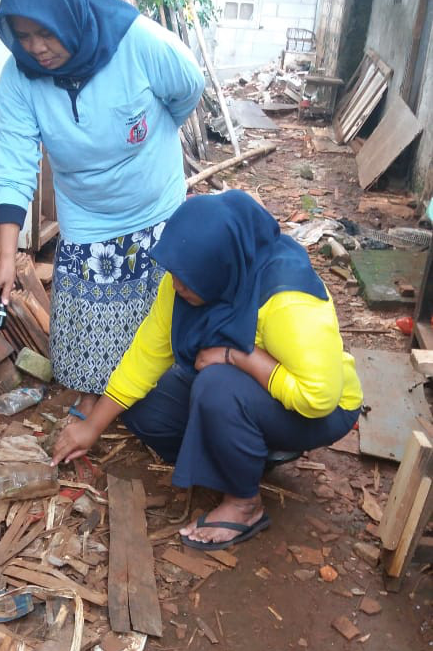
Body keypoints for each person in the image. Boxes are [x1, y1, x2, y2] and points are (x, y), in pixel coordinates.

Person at [52, 191, 363, 550]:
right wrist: (91, 427)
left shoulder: (286, 297)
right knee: (144, 404)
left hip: (320, 409)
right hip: (250, 391)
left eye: (188, 279)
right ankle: (238, 455)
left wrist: (239, 356)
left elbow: (319, 397)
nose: (177, 285)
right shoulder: (188, 280)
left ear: (221, 267)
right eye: (175, 274)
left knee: (217, 386)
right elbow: (145, 357)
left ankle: (245, 504)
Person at [0, 0, 204, 416]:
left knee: (159, 317)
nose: (37, 47)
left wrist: (153, 138)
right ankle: (98, 397)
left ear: (69, 15)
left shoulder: (137, 42)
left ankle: (151, 398)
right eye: (23, 36)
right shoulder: (20, 78)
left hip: (155, 205)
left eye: (46, 31)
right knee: (87, 326)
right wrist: (7, 256)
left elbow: (188, 86)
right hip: (87, 214)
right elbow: (14, 161)